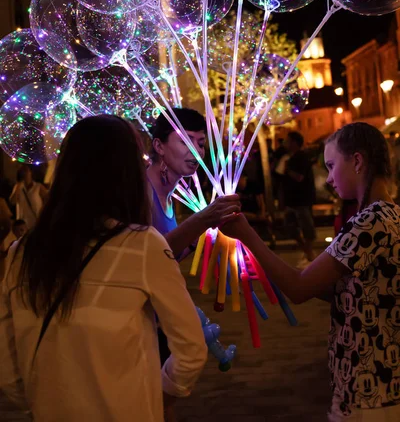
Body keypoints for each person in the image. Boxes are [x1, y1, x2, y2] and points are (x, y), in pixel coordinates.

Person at [0, 115, 207, 421]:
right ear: (126, 173)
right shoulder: (142, 245)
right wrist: (155, 395)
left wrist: (45, 399)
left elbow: (9, 365)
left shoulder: (20, 253)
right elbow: (191, 349)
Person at [221, 122, 400, 421]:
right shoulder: (390, 214)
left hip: (369, 391)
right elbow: (351, 293)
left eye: (331, 166)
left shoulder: (369, 221)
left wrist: (246, 234)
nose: (328, 178)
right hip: (379, 385)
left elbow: (300, 288)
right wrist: (271, 271)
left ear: (357, 161)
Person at [147, 107, 241, 259]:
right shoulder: (140, 193)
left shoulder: (167, 197)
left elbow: (168, 259)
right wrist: (202, 220)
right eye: (185, 142)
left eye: (201, 144)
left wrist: (195, 241)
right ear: (159, 146)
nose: (197, 151)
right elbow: (147, 257)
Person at [282, 131, 316, 267]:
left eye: (288, 140)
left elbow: (300, 177)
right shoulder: (292, 157)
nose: (285, 143)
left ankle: (309, 253)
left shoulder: (301, 157)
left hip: (302, 200)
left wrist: (287, 170)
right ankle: (307, 251)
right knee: (290, 227)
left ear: (294, 143)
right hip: (293, 201)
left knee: (306, 227)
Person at [9, 165, 48, 229]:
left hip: (35, 222)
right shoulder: (18, 187)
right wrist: (18, 185)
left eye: (26, 171)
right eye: (22, 171)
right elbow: (12, 201)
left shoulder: (38, 187)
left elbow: (47, 201)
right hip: (22, 224)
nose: (24, 173)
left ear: (30, 172)